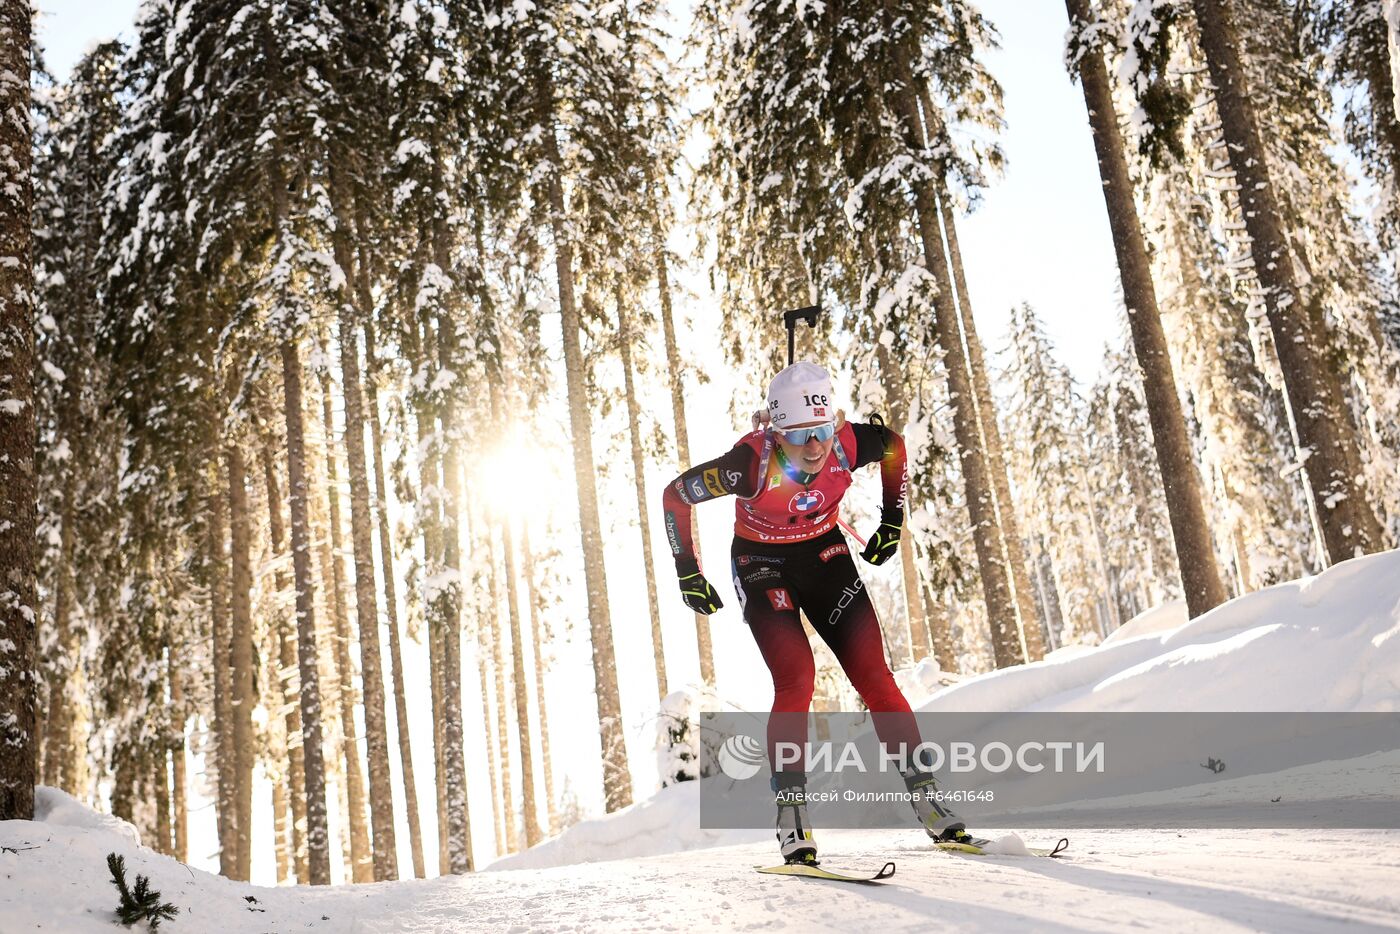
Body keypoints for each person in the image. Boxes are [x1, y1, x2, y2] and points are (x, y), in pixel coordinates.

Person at [661, 362, 971, 865]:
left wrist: (891, 521)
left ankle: (927, 795)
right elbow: (675, 495)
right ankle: (792, 814)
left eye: (822, 431)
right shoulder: (747, 464)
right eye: (800, 435)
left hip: (826, 557)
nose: (814, 446)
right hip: (761, 563)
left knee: (875, 677)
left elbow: (893, 445)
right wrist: (687, 571)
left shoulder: (847, 444)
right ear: (775, 431)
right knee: (796, 678)